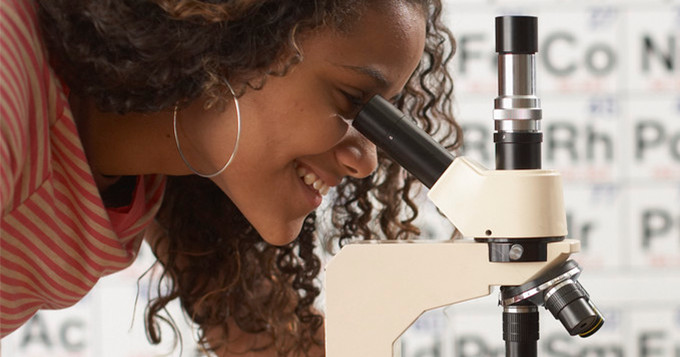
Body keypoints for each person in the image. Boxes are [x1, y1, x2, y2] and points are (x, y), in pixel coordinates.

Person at [1, 0, 461, 355]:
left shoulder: (161, 168)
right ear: (231, 33)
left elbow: (253, 335)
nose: (366, 161)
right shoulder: (11, 83)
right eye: (351, 99)